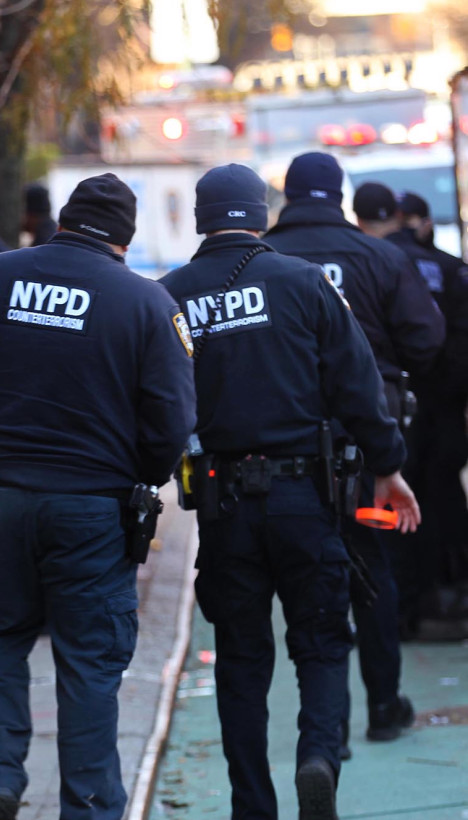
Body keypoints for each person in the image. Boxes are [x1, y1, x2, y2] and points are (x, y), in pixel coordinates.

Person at [0, 174, 196, 820]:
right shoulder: (143, 302)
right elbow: (171, 419)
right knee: (88, 661)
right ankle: (87, 805)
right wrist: (135, 472)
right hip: (91, 505)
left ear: (63, 221)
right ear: (125, 239)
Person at [162, 164, 419, 820]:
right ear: (261, 213)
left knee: (242, 660)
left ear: (200, 219)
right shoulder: (303, 285)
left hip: (222, 506)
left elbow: (155, 409)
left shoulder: (171, 298)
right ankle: (317, 759)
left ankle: (253, 804)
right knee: (323, 642)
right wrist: (389, 466)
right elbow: (358, 386)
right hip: (305, 494)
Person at [265, 154, 444, 749]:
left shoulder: (260, 259)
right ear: (338, 195)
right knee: (373, 566)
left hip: (285, 443)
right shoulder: (381, 256)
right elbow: (427, 337)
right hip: (372, 444)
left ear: (288, 195)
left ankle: (327, 726)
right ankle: (384, 704)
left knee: (310, 577)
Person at [389, 192, 468, 633]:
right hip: (443, 408)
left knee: (399, 505)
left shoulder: (379, 262)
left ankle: (405, 605)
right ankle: (450, 594)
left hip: (396, 408)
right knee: (443, 501)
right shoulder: (452, 268)